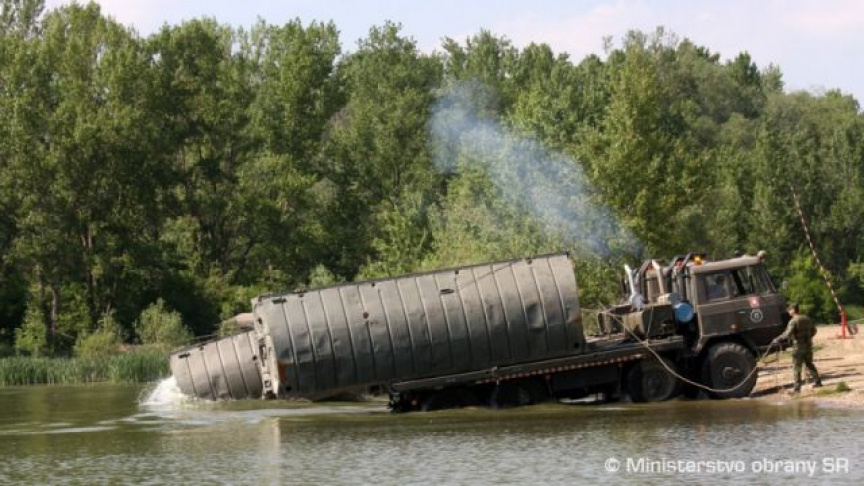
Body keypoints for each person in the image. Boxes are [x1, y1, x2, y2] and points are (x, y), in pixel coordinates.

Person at [772, 302, 822, 393]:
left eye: (789, 310)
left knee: (797, 367)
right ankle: (818, 382)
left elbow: (787, 333)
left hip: (798, 347)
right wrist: (808, 338)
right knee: (809, 364)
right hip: (808, 346)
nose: (788, 312)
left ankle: (797, 388)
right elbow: (814, 330)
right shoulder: (807, 318)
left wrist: (777, 339)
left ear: (793, 310)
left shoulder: (793, 321)